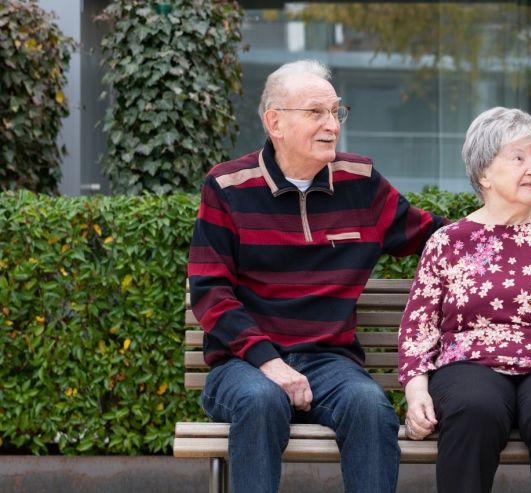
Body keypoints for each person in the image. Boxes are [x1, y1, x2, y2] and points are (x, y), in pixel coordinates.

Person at [188, 59, 447, 493]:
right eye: (316, 112)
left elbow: (435, 237)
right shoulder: (228, 187)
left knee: (370, 407)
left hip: (330, 362)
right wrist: (268, 362)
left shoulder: (359, 181)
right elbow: (211, 292)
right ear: (275, 122)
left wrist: (511, 229)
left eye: (336, 112)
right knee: (260, 400)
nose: (332, 124)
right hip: (244, 365)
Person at [396, 107, 531, 493]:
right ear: (484, 172)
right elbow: (419, 327)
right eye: (518, 158)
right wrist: (416, 391)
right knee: (473, 409)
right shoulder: (449, 241)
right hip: (468, 360)